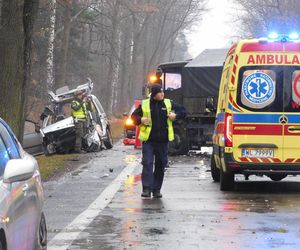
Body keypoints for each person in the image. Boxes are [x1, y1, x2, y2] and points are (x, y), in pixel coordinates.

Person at [131, 84, 186, 198]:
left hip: (163, 141)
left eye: (162, 92)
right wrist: (140, 119)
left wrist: (175, 115)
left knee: (160, 165)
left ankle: (156, 189)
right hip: (149, 141)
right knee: (147, 163)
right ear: (154, 94)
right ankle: (146, 189)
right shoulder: (145, 104)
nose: (162, 94)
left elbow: (183, 111)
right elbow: (133, 117)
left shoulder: (168, 103)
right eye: (160, 92)